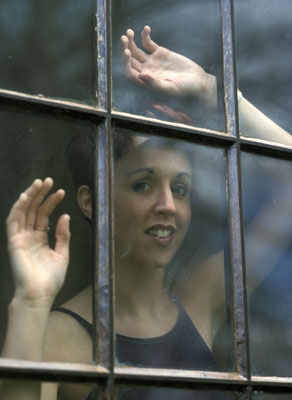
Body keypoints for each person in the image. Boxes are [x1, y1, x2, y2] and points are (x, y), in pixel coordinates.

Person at [1, 26, 292, 400]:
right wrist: (31, 301)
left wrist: (211, 90)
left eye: (181, 188)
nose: (168, 205)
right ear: (91, 202)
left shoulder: (201, 298)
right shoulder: (61, 336)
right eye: (143, 184)